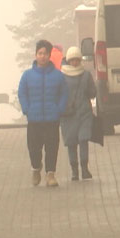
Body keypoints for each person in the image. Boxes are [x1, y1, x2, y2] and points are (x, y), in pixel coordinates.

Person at [18, 39, 69, 187]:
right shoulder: (27, 75)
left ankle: (50, 175)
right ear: (35, 55)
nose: (42, 56)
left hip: (52, 118)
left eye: (45, 53)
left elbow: (64, 93)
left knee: (52, 147)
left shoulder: (58, 76)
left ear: (49, 55)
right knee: (34, 148)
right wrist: (26, 108)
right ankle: (35, 168)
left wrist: (59, 108)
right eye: (40, 53)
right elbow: (22, 93)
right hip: (34, 118)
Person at [60, 46, 97, 181]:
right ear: (68, 60)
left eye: (77, 60)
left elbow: (92, 93)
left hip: (84, 114)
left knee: (83, 140)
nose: (75, 62)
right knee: (71, 143)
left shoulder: (85, 75)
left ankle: (84, 168)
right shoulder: (62, 76)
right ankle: (74, 170)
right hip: (68, 114)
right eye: (72, 60)